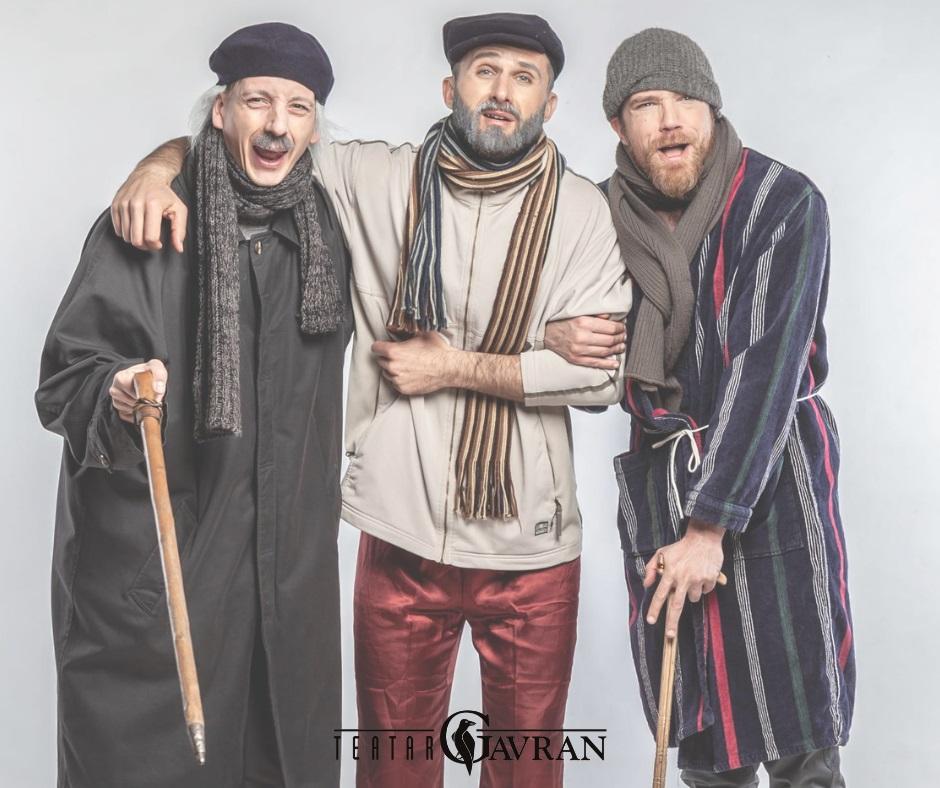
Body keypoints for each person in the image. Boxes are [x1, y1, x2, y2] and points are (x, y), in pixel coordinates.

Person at [109, 13, 632, 788]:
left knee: (527, 771)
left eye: (525, 78)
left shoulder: (584, 213)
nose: (502, 91)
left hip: (531, 546)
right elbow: (261, 136)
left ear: (549, 105)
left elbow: (602, 378)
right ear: (450, 88)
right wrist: (156, 167)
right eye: (485, 71)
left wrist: (451, 366)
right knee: (393, 768)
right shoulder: (376, 178)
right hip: (400, 535)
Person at [36, 22, 350, 788]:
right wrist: (115, 390)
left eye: (298, 107)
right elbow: (65, 379)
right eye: (258, 101)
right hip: (158, 583)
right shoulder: (148, 223)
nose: (277, 124)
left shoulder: (329, 230)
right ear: (220, 111)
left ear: (314, 127)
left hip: (285, 593)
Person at [554, 27, 853, 787]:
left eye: (687, 100)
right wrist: (553, 334)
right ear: (617, 124)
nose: (671, 120)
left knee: (798, 738)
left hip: (772, 476)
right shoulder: (595, 217)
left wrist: (711, 525)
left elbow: (766, 367)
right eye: (646, 105)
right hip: (663, 484)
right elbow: (563, 339)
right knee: (700, 736)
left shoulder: (781, 202)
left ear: (712, 110)